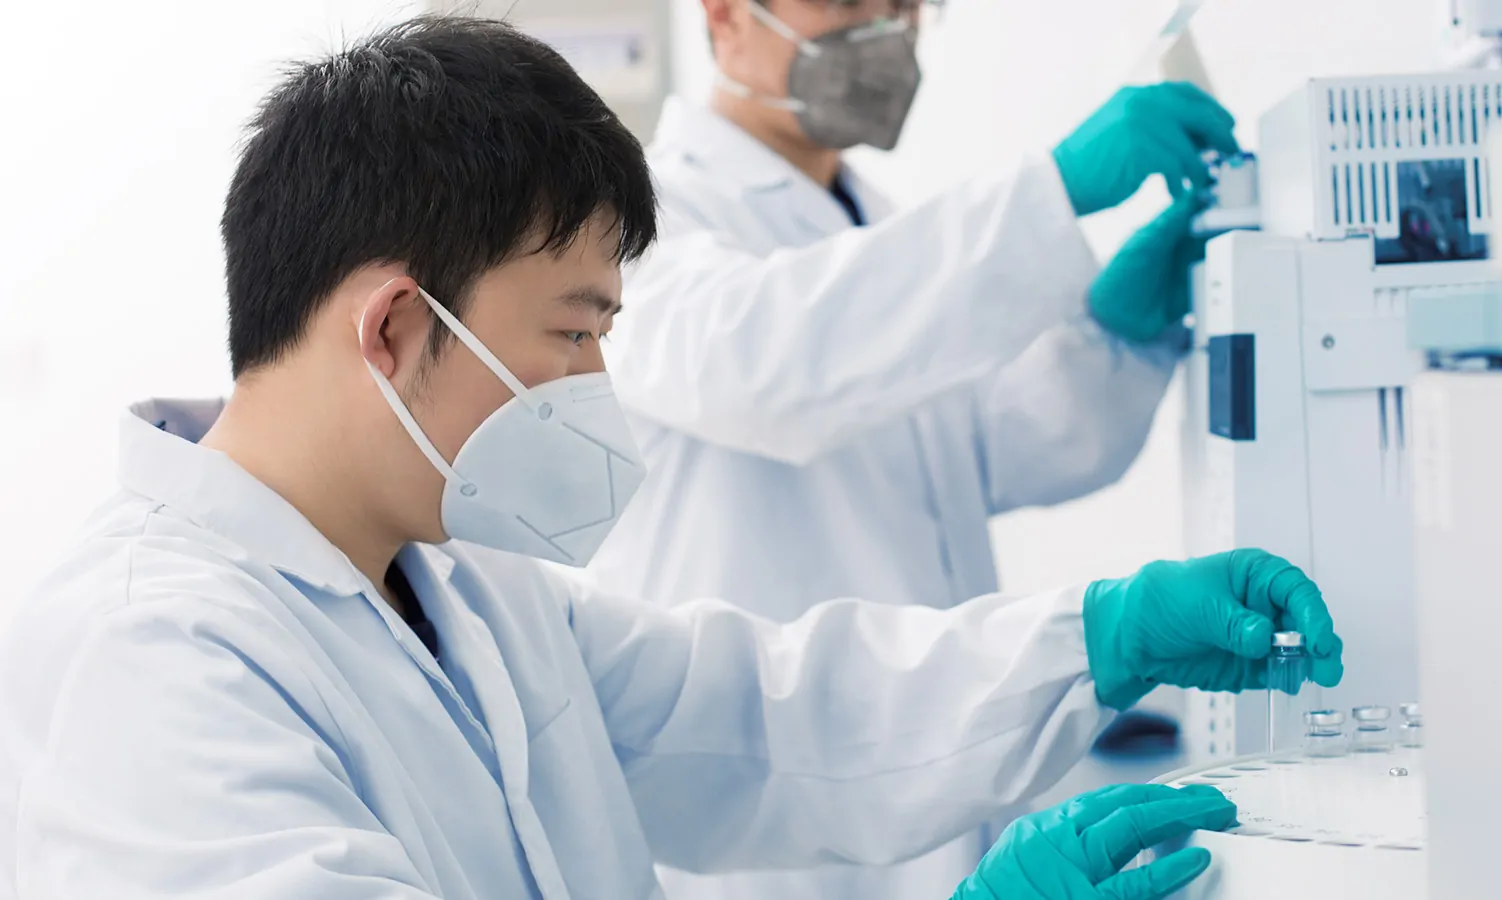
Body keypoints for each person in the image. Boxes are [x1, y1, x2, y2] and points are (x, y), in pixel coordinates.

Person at [0, 17, 1344, 900]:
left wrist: (1095, 639)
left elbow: (756, 717)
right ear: (398, 329)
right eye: (575, 333)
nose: (600, 385)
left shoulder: (468, 588)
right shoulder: (154, 661)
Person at [586, 2, 1245, 897]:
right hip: (766, 822)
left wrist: (1112, 339)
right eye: (845, 1)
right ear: (726, 16)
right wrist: (1050, 192)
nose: (882, 31)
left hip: (925, 770)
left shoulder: (874, 226)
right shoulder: (644, 220)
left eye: (900, 7)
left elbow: (989, 451)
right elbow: (766, 367)